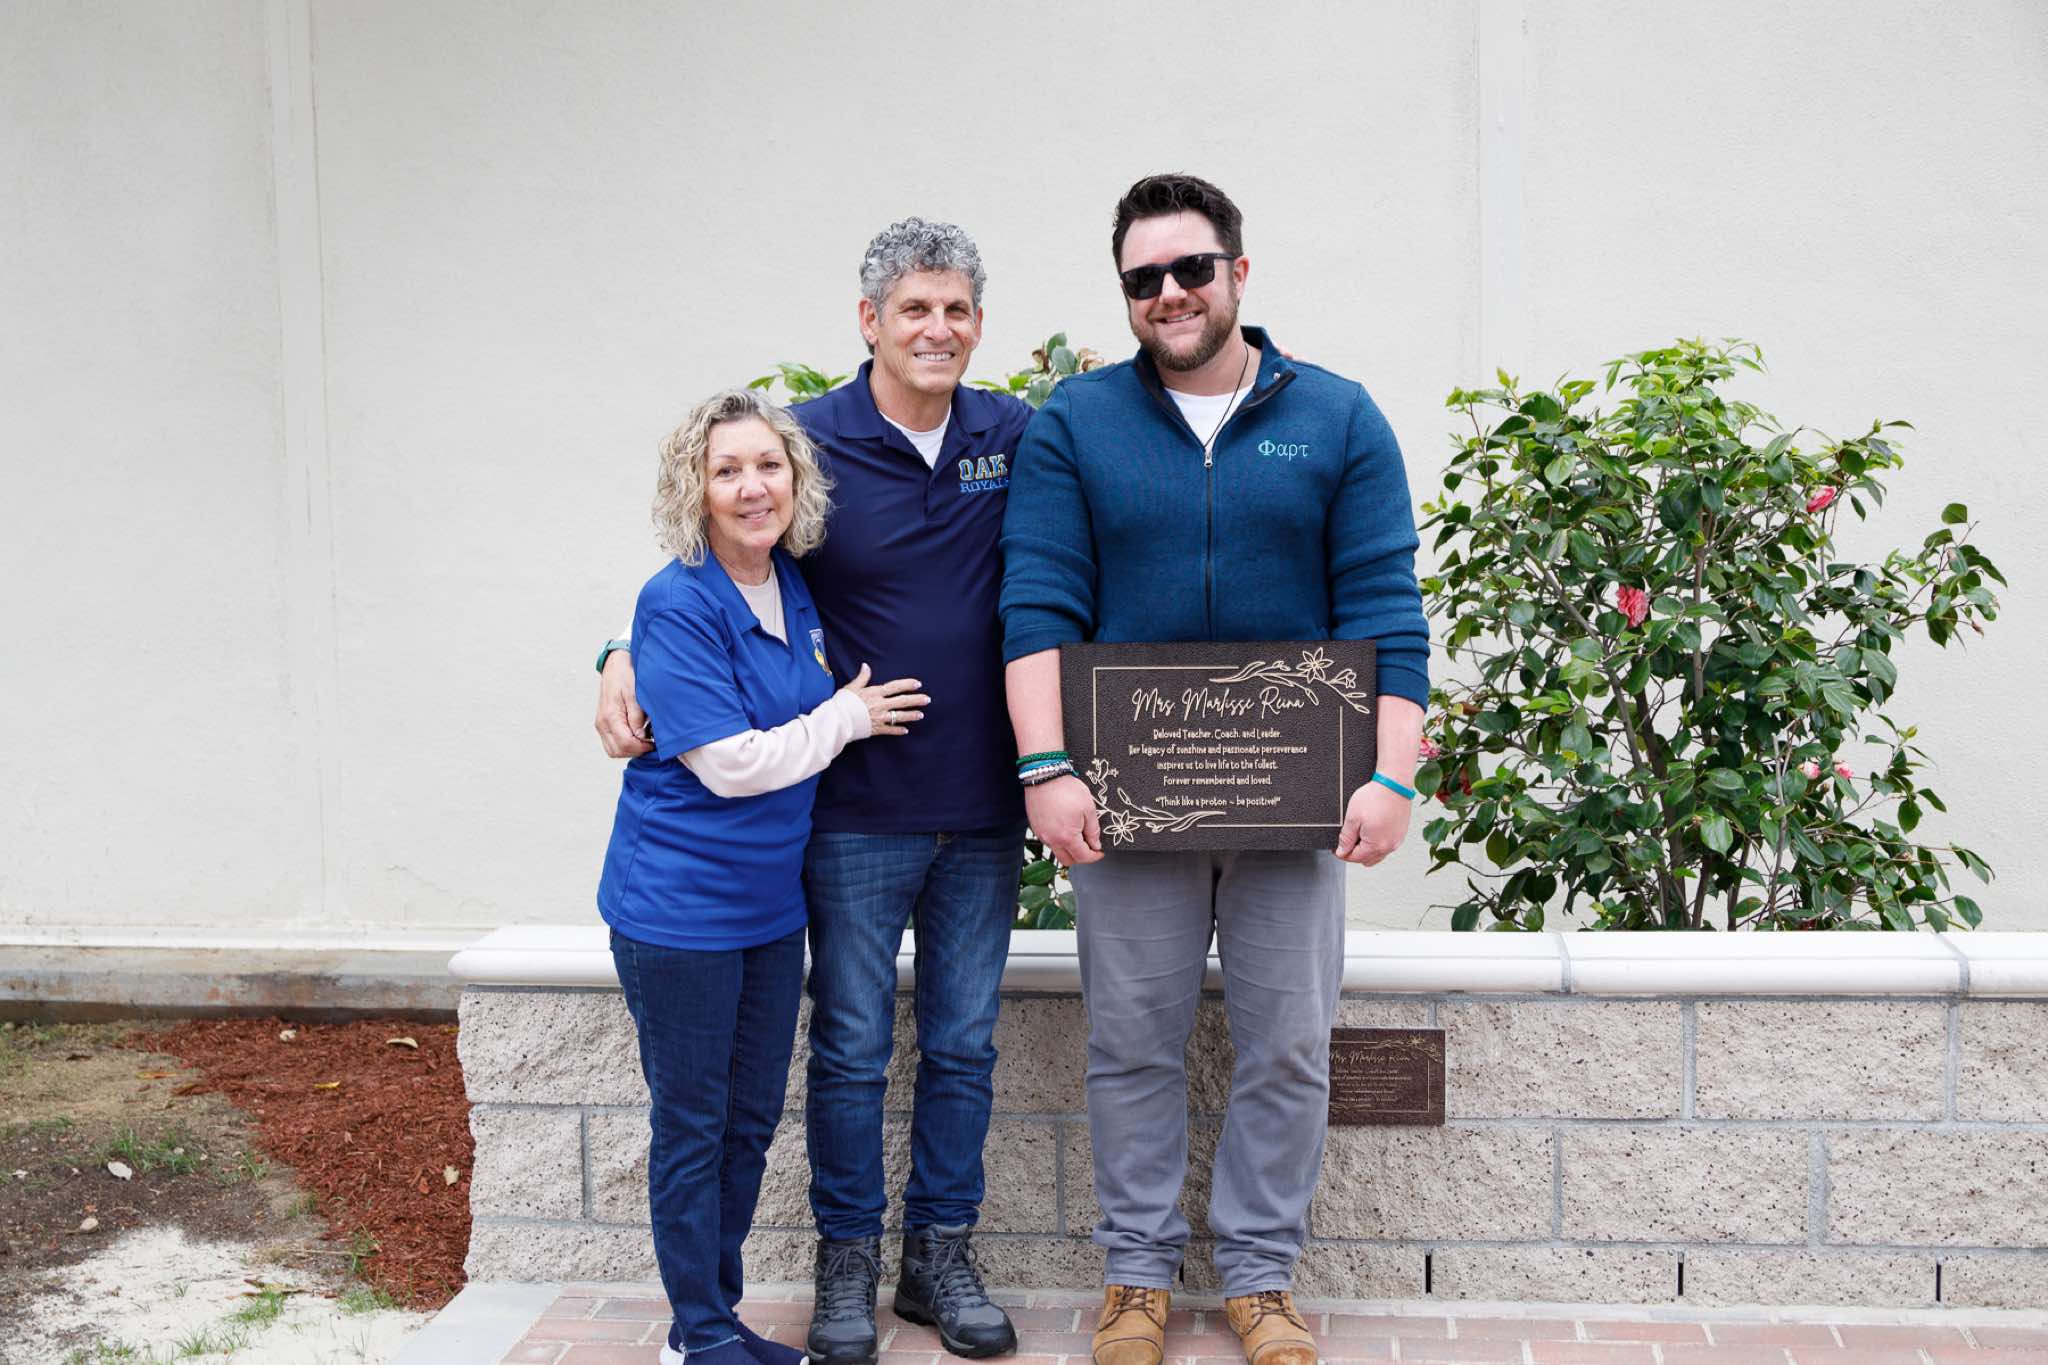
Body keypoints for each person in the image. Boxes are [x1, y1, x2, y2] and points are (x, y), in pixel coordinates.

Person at [999, 174, 1430, 1365]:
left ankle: (1257, 1277)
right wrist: (1045, 766)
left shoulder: (1335, 417)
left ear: (1238, 272)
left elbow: (1385, 609)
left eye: (1190, 269)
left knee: (1286, 1046)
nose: (1169, 294)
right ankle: (1136, 1278)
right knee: (1129, 1043)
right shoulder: (1075, 423)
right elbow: (1037, 604)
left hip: (1296, 800)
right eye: (1142, 278)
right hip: (1128, 796)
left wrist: (1390, 775)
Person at [595, 221, 1032, 1363]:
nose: (936, 329)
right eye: (913, 309)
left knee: (964, 1046)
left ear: (978, 324)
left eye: (955, 309)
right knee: (847, 1051)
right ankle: (845, 1267)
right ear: (869, 321)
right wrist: (619, 652)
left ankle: (938, 1259)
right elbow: (708, 559)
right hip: (851, 818)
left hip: (983, 808)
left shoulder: (1014, 435)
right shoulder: (809, 443)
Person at [601, 388, 928, 1365]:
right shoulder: (677, 600)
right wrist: (847, 719)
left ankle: (712, 1321)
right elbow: (731, 765)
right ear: (694, 490)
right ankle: (699, 1336)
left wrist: (611, 654)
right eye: (727, 470)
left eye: (768, 466)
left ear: (796, 480)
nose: (752, 487)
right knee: (693, 1125)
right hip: (679, 911)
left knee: (746, 1123)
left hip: (768, 909)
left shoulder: (788, 580)